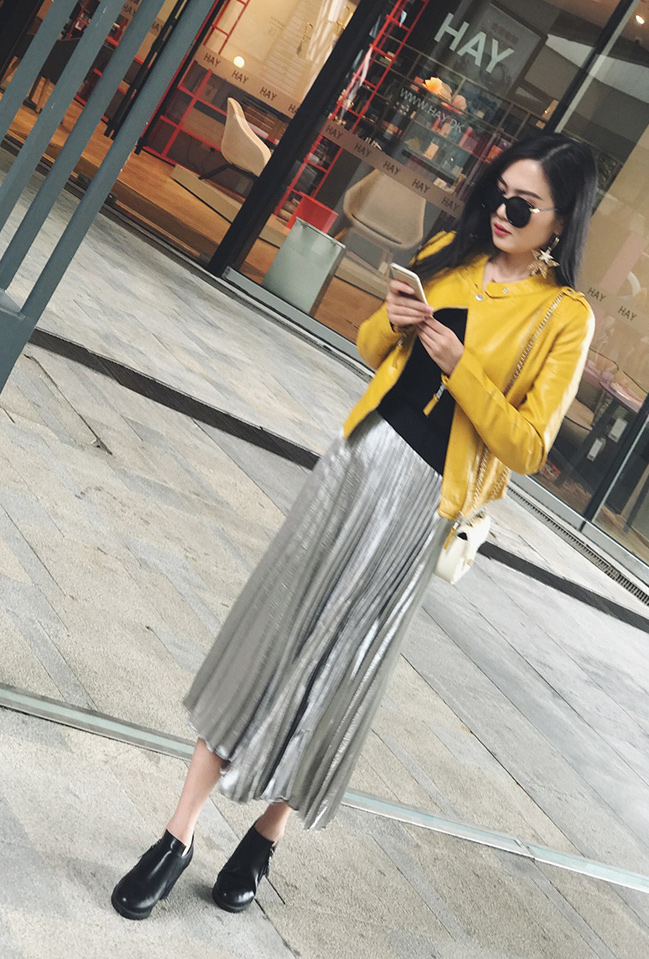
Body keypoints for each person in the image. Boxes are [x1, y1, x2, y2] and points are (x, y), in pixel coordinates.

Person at [111, 131, 597, 921]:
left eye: (523, 205)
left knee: (337, 665)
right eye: (498, 194)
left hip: (423, 504)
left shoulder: (563, 316)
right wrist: (398, 322)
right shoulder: (450, 253)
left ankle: (264, 835)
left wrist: (459, 364)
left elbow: (528, 446)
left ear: (561, 219)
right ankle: (179, 832)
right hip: (357, 464)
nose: (501, 212)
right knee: (270, 630)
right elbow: (371, 345)